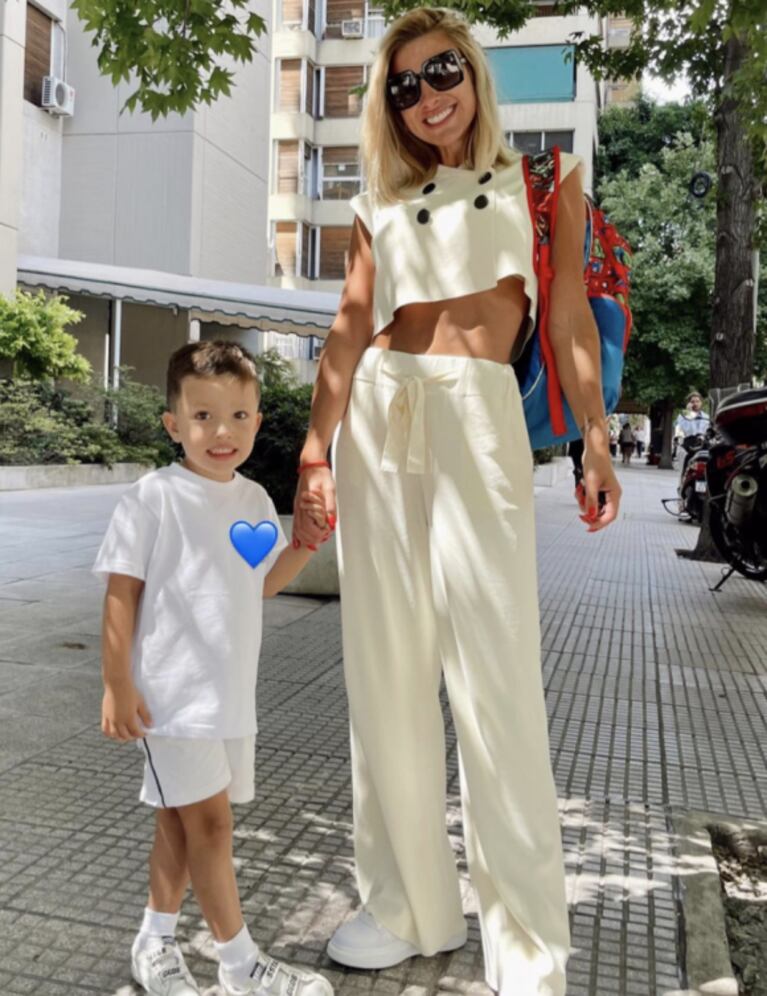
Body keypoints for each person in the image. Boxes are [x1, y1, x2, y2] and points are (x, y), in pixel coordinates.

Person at [291, 9, 622, 996]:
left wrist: (594, 435)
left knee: (496, 679)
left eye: (440, 72)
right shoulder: (377, 208)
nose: (427, 95)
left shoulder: (541, 181)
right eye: (402, 86)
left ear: (471, 74)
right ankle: (404, 906)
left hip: (477, 418)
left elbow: (563, 314)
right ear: (388, 111)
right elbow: (349, 331)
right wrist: (313, 451)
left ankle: (525, 942)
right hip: (377, 419)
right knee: (384, 673)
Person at [93, 341, 333, 996]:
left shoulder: (253, 500)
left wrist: (306, 545)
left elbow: (259, 582)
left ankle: (155, 942)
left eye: (236, 416)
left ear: (257, 422)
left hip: (228, 698)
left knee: (180, 819)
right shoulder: (153, 498)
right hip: (169, 698)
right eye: (202, 417)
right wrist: (117, 683)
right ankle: (240, 965)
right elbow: (121, 592)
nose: (219, 432)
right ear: (173, 424)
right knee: (211, 824)